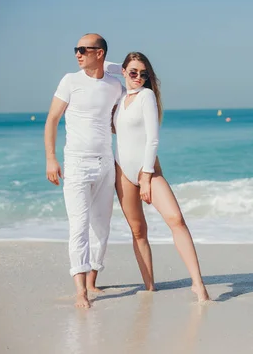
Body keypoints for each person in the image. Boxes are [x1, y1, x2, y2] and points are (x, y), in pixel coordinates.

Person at [108, 52, 209, 302]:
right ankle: (150, 287)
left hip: (148, 171)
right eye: (133, 72)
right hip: (121, 170)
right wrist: (119, 67)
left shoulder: (146, 96)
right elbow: (107, 69)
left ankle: (198, 284)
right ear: (123, 72)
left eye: (144, 74)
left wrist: (145, 176)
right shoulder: (120, 97)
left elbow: (153, 139)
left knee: (176, 219)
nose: (139, 78)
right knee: (138, 230)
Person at [44, 33, 123, 308]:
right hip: (76, 164)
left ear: (99, 53)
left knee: (101, 227)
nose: (77, 54)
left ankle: (92, 281)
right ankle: (80, 291)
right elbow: (52, 119)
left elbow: (121, 118)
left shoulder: (115, 86)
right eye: (76, 49)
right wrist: (51, 159)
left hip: (105, 163)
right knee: (79, 226)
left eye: (83, 50)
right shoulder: (70, 81)